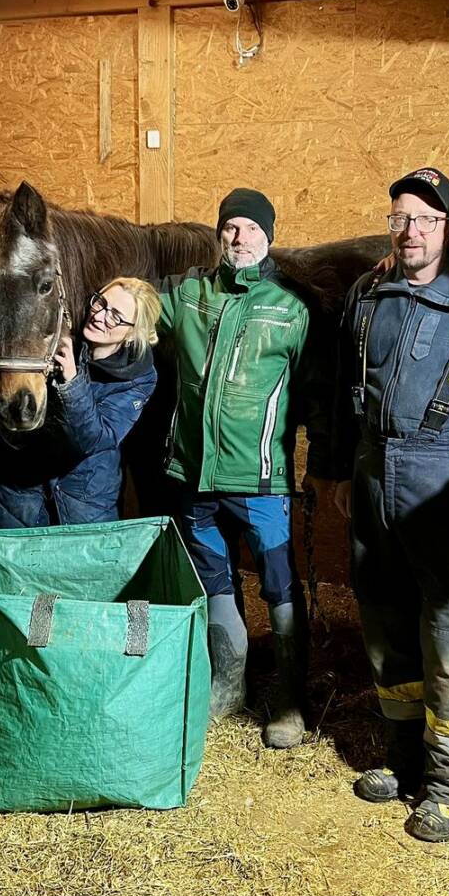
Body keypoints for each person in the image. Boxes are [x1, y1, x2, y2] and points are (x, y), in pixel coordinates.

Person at [331, 167, 449, 842]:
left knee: (448, 632)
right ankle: (403, 759)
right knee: (383, 616)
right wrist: (340, 470)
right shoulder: (367, 296)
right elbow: (345, 385)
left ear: (448, 230)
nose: (410, 231)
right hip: (373, 471)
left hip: (441, 478)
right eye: (400, 218)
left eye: (426, 219)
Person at [160, 187, 332, 750]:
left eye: (252, 229)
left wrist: (324, 465)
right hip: (193, 477)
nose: (240, 238)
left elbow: (314, 396)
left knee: (279, 583)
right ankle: (227, 684)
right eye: (231, 228)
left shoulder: (291, 311)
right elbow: (133, 311)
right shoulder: (187, 296)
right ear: (219, 235)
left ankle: (287, 696)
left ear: (269, 237)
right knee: (215, 581)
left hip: (261, 481)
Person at [0, 276, 159, 528]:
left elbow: (92, 440)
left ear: (132, 332)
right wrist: (20, 374)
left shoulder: (138, 376)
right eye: (100, 303)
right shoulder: (52, 332)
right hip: (14, 495)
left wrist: (72, 382)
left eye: (115, 315)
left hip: (85, 504)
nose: (100, 316)